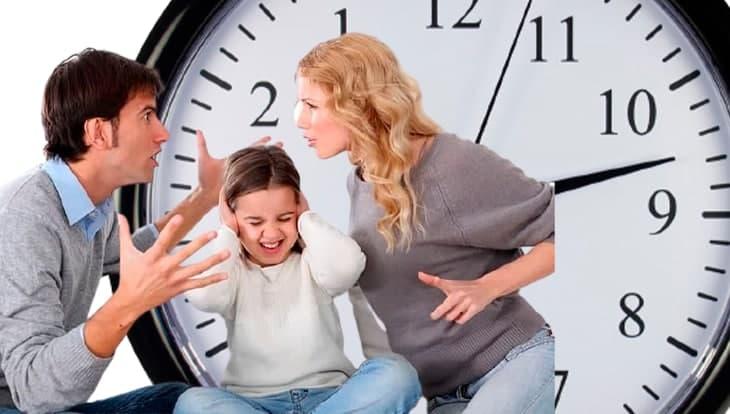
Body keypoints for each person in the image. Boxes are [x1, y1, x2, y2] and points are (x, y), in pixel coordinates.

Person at [294, 33, 556, 413]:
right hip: (444, 394)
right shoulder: (360, 180)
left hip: (512, 362)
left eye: (311, 105)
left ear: (357, 105)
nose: (299, 119)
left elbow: (564, 230)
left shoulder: (449, 164)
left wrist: (487, 286)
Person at [0, 49, 243, 413]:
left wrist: (205, 196)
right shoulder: (28, 218)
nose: (162, 133)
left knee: (177, 399)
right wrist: (129, 303)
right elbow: (35, 392)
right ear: (98, 132)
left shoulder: (90, 207)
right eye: (146, 116)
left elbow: (130, 251)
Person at [174, 146, 421, 414]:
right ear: (232, 218)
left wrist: (308, 219)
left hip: (331, 397)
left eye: (285, 218)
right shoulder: (232, 274)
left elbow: (348, 266)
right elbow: (204, 296)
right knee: (192, 402)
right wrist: (227, 232)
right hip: (255, 404)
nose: (271, 233)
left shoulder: (313, 262)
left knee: (398, 374)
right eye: (255, 222)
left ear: (299, 208)